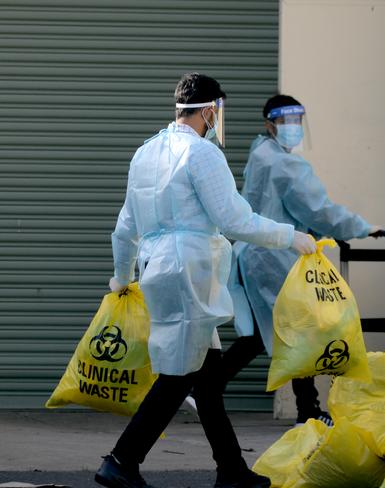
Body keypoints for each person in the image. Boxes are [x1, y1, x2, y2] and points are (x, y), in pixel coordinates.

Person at [94, 74, 316, 488]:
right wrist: (292, 237)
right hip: (189, 274)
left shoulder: (145, 153)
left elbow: (124, 228)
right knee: (179, 376)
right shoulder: (202, 155)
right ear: (211, 110)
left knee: (207, 379)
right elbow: (235, 219)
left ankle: (231, 470)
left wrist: (121, 279)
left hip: (157, 271)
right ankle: (121, 462)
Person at [223, 94, 380, 426]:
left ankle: (306, 409)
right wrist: (364, 228)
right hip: (275, 257)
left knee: (278, 332)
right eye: (286, 122)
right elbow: (317, 209)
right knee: (297, 330)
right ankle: (305, 410)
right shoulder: (282, 163)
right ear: (270, 125)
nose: (293, 128)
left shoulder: (262, 153)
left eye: (297, 121)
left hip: (261, 255)